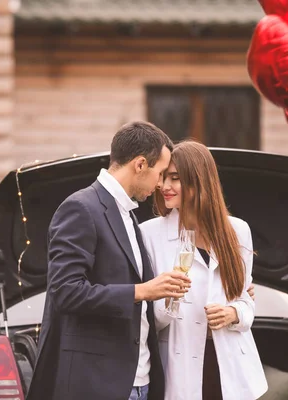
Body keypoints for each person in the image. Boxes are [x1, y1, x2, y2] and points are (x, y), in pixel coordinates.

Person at [26, 121, 192, 400]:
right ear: (140, 165)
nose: (161, 184)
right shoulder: (80, 208)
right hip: (97, 384)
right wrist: (143, 291)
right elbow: (65, 292)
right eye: (160, 173)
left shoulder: (128, 214)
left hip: (141, 382)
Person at [139, 141, 268, 400]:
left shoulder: (238, 231)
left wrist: (233, 313)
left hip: (232, 367)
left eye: (175, 178)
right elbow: (147, 320)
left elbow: (246, 300)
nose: (164, 187)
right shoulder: (149, 234)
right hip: (180, 368)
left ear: (199, 180)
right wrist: (169, 297)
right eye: (163, 178)